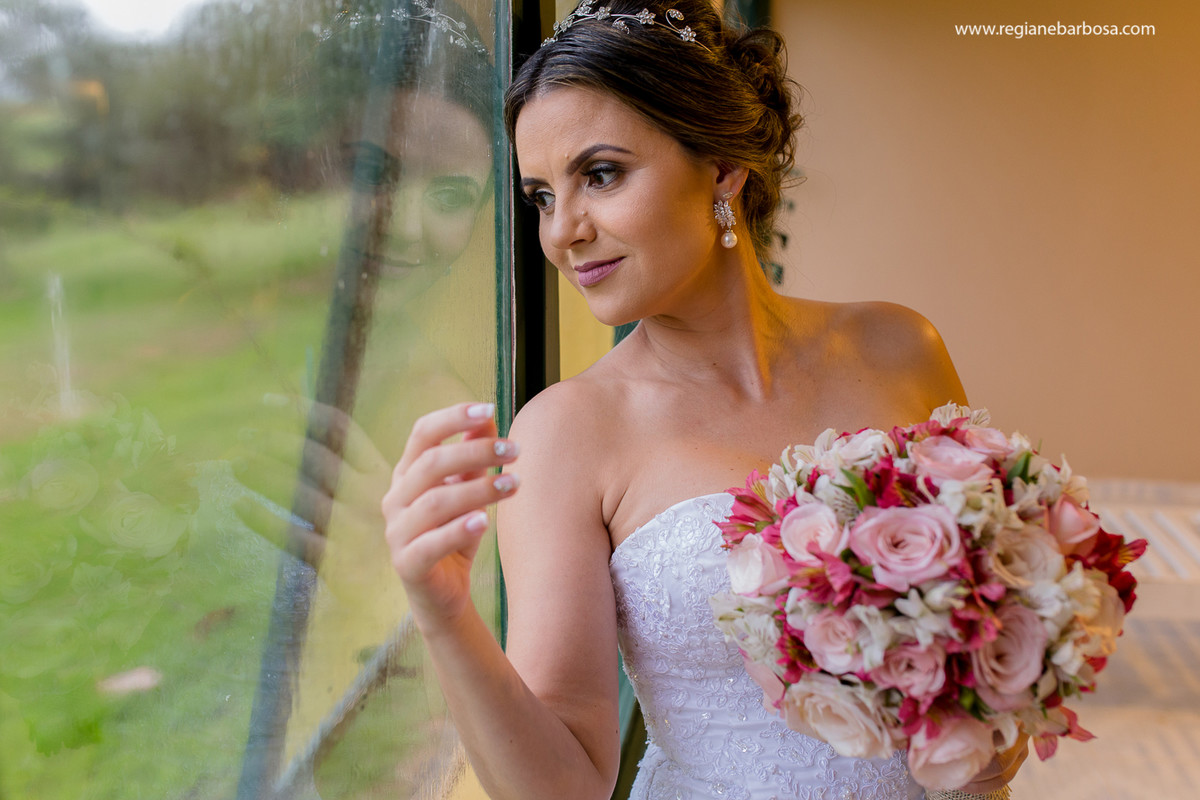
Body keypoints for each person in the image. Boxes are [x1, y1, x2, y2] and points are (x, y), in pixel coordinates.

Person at [382, 1, 1027, 798]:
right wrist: (445, 615)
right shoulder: (563, 435)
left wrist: (996, 720)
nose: (562, 231)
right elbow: (565, 788)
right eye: (542, 195)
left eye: (600, 175)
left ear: (722, 166)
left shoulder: (900, 347)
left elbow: (987, 621)